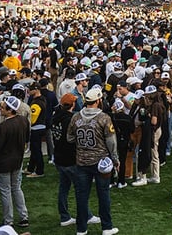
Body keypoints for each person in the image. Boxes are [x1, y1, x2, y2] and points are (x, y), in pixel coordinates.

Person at [67, 87, 120, 235]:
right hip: (101, 162)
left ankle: (81, 228)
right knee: (103, 195)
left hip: (82, 162)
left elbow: (69, 138)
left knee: (81, 196)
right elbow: (111, 142)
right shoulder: (104, 118)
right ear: (98, 101)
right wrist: (115, 159)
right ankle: (107, 227)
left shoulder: (76, 117)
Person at [52, 92, 96, 228]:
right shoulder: (72, 119)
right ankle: (86, 215)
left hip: (58, 158)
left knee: (63, 188)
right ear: (72, 104)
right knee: (80, 189)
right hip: (70, 159)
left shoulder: (55, 117)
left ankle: (64, 217)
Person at [0, 96, 29, 228]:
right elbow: (27, 138)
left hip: (3, 163)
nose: (0, 109)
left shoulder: (3, 126)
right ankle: (23, 217)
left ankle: (8, 220)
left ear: (9, 110)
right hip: (17, 161)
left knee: (6, 191)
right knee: (16, 188)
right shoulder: (24, 121)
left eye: (2, 107)